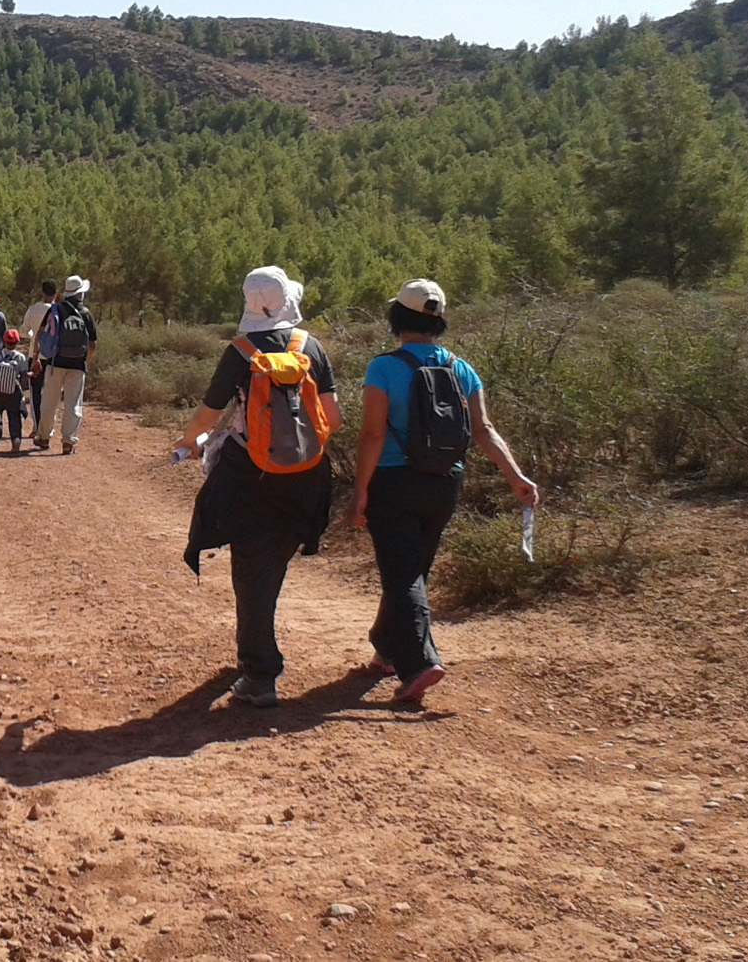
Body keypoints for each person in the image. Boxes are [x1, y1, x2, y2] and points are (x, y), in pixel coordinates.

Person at [352, 279, 539, 704]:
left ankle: (419, 663)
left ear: (397, 317)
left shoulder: (383, 367)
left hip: (394, 481)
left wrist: (360, 489)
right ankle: (385, 647)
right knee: (412, 569)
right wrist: (516, 477)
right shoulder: (462, 367)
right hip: (445, 481)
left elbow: (372, 433)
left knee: (402, 574)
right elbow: (484, 431)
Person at [174, 268, 340, 709]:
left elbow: (210, 412)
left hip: (252, 478)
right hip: (307, 477)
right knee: (270, 566)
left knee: (251, 572)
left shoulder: (241, 351)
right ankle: (258, 647)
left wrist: (189, 442)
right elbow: (333, 419)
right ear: (287, 301)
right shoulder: (311, 346)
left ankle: (260, 673)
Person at [34, 274, 97, 453]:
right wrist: (85, 360)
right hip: (77, 366)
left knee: (49, 401)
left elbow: (39, 334)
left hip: (55, 362)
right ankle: (68, 441)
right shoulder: (86, 314)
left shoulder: (55, 309)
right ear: (80, 294)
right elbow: (93, 345)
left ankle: (44, 438)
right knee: (73, 404)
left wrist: (37, 356)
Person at [0, 328, 31, 452]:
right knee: (14, 416)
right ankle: (16, 438)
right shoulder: (20, 356)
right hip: (13, 391)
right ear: (17, 343)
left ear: (4, 342)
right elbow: (24, 375)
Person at [21, 279, 58, 427]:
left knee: (35, 392)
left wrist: (33, 337)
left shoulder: (33, 309)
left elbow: (23, 331)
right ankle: (48, 427)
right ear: (56, 293)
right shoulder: (58, 310)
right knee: (52, 393)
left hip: (34, 355)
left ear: (42, 293)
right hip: (53, 358)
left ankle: (37, 426)